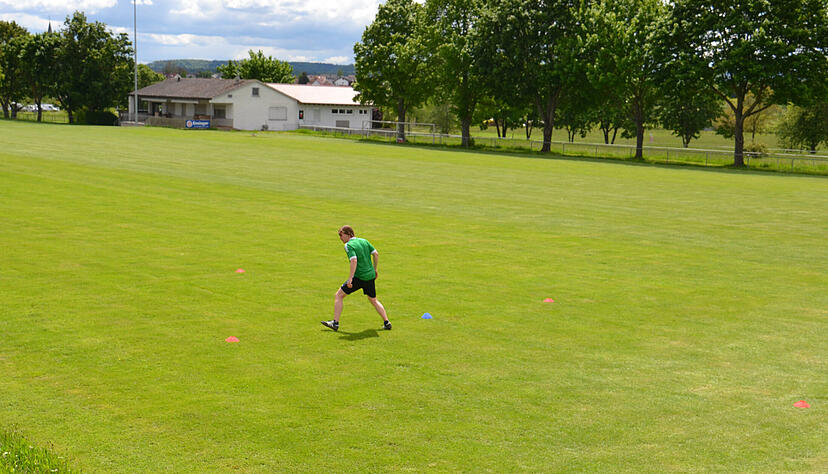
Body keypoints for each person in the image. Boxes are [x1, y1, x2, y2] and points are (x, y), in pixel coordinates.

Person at [322, 225, 391, 331]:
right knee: (373, 300)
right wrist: (375, 269)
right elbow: (376, 254)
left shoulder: (349, 245)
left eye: (341, 235)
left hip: (359, 277)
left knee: (339, 295)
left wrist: (350, 279)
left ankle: (335, 323)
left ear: (348, 234)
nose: (340, 238)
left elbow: (354, 260)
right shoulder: (364, 241)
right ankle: (387, 322)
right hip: (370, 276)